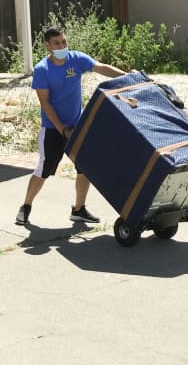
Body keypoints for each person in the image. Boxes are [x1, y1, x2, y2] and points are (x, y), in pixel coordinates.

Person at [15, 26, 126, 226]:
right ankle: (26, 206)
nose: (62, 46)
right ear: (47, 46)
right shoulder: (42, 70)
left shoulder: (76, 59)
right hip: (52, 129)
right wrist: (63, 129)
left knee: (85, 167)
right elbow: (45, 103)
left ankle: (79, 209)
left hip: (78, 126)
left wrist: (126, 76)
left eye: (64, 42)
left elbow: (101, 67)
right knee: (44, 169)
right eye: (57, 43)